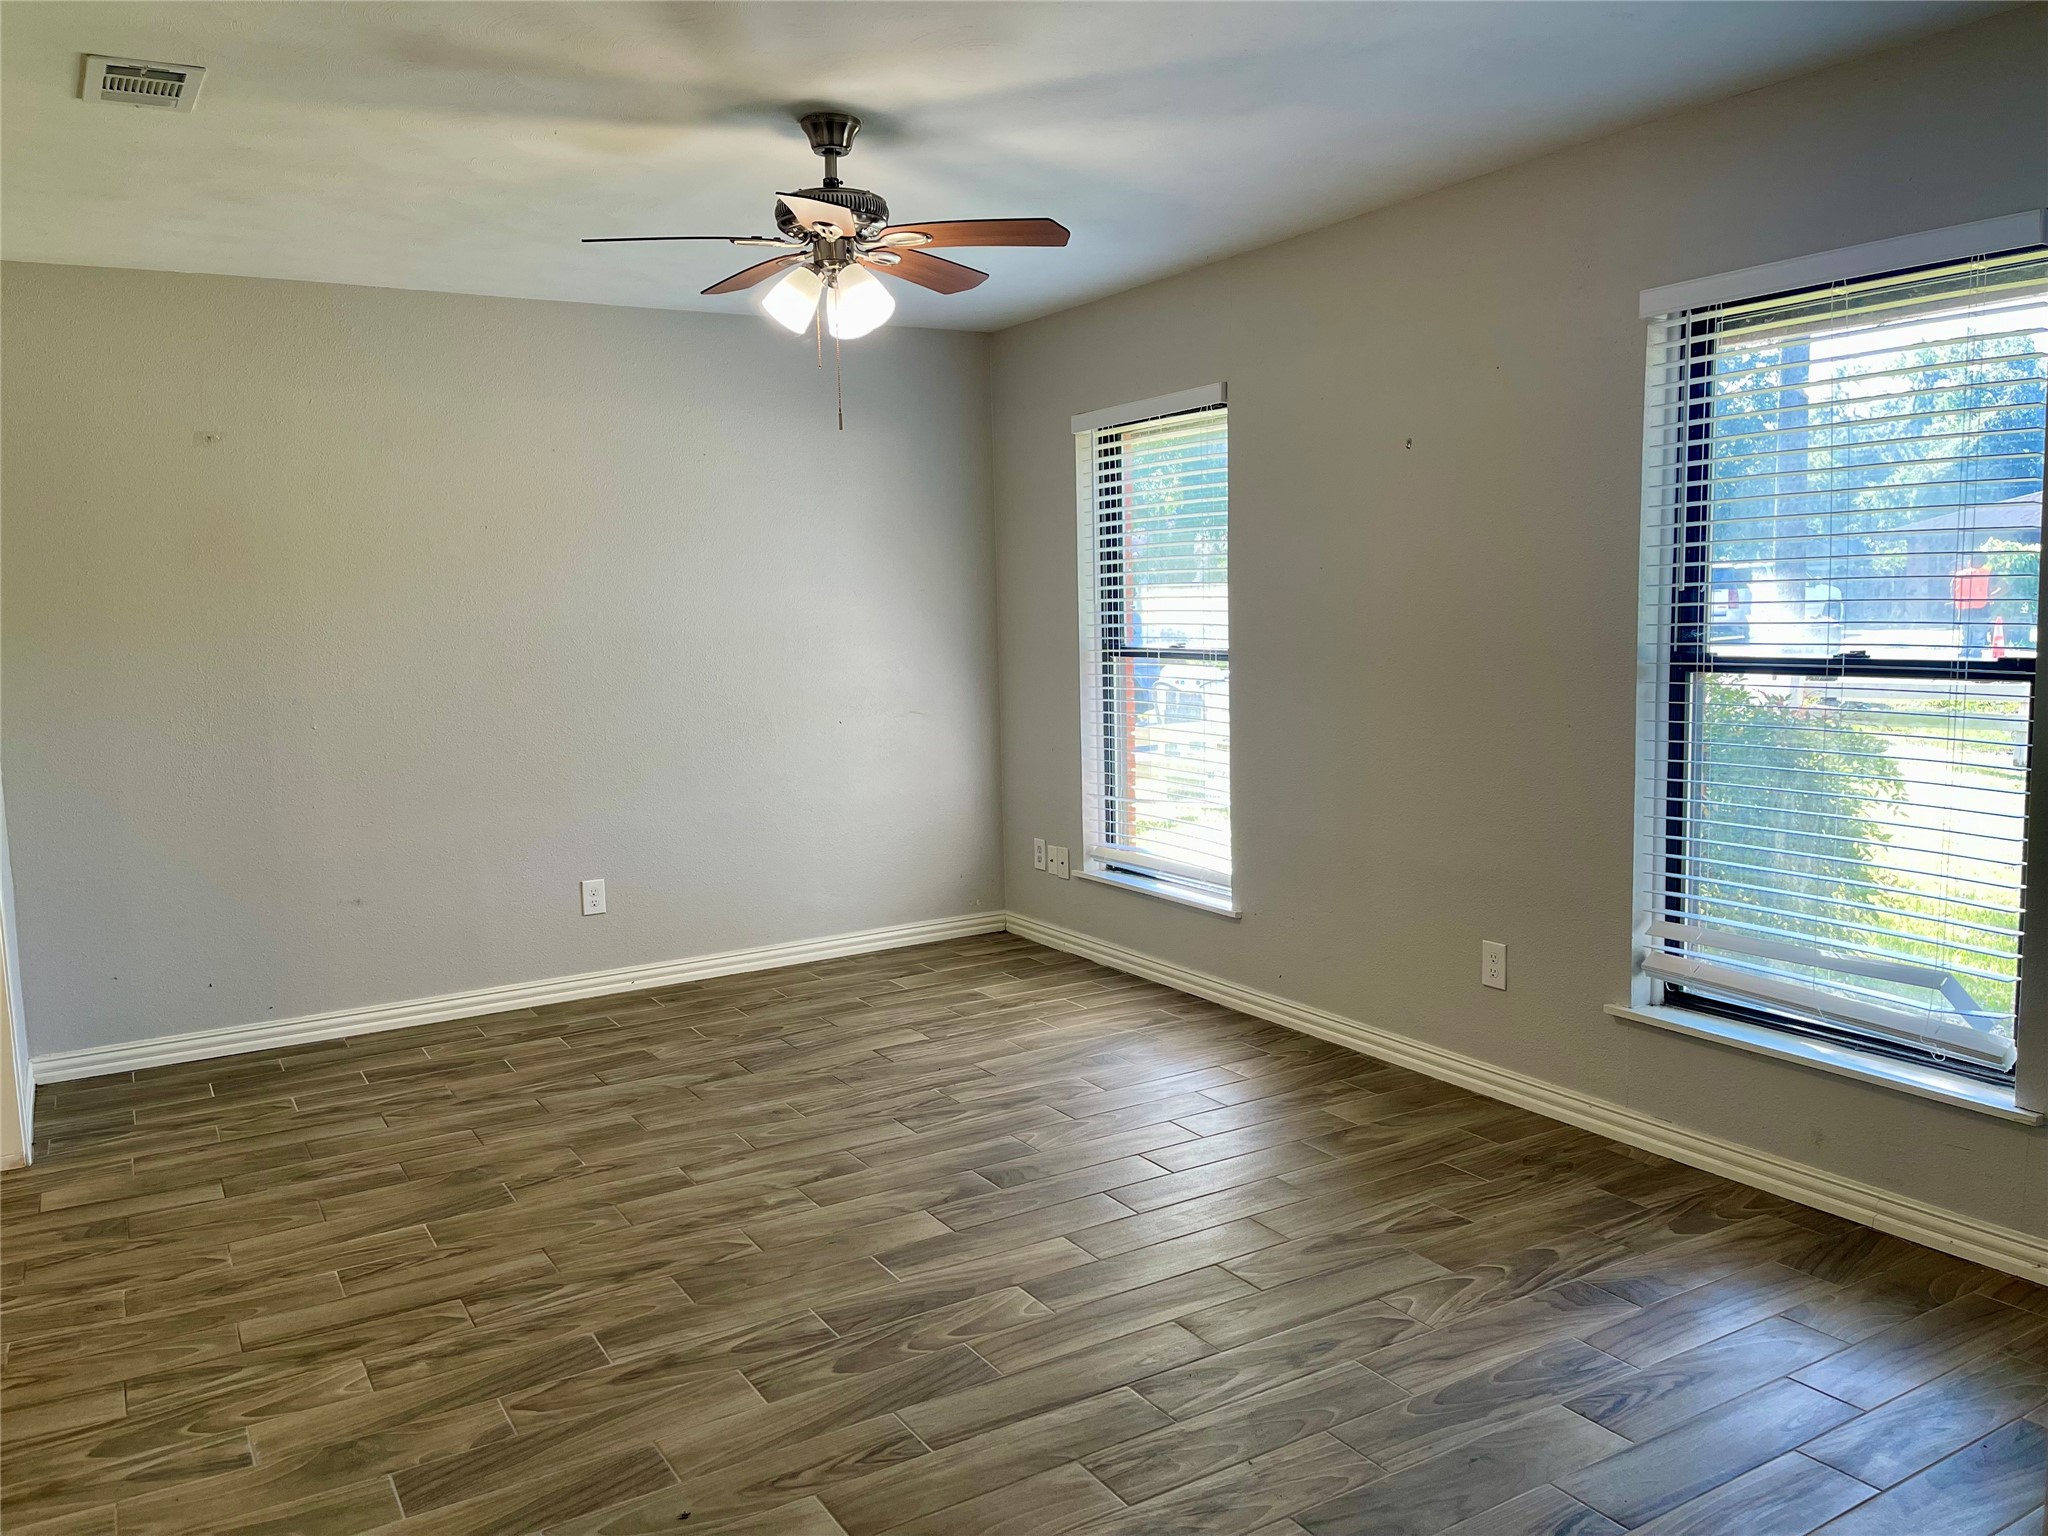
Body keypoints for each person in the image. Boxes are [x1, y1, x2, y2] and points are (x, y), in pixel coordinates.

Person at [1954, 558, 1993, 658]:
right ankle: (1976, 653)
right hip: (1981, 609)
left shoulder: (1960, 574)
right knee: (1979, 634)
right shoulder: (1986, 574)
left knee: (1965, 633)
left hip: (1964, 608)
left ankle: (1964, 651)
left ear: (1970, 562)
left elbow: (1953, 589)